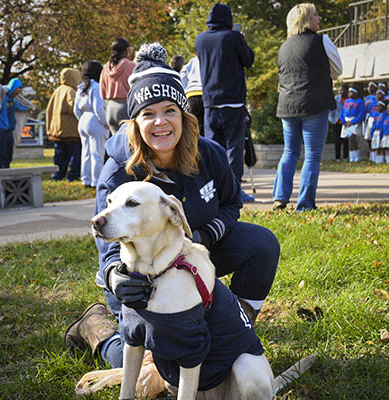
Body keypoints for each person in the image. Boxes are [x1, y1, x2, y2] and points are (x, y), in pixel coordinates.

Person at [64, 43, 280, 371]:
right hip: (141, 272)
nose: (160, 122)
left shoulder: (210, 154)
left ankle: (237, 325)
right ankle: (98, 330)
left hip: (192, 257)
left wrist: (205, 235)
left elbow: (232, 202)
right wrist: (114, 276)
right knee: (149, 362)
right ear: (134, 121)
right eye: (148, 113)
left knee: (261, 244)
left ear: (184, 114)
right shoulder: (118, 168)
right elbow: (105, 235)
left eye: (170, 110)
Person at [272, 3, 342, 211]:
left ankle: (279, 198)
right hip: (315, 103)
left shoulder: (283, 47)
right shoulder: (322, 41)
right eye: (315, 15)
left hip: (288, 105)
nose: (319, 18)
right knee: (312, 155)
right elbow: (338, 69)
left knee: (289, 152)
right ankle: (304, 204)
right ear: (306, 19)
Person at [195, 3, 255, 203]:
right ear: (228, 19)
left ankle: (215, 193)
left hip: (210, 103)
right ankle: (234, 194)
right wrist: (242, 40)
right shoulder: (233, 37)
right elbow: (249, 60)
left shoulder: (200, 40)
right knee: (234, 151)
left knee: (213, 150)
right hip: (233, 103)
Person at [74, 60, 109, 188]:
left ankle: (86, 180)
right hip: (95, 120)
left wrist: (82, 119)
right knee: (97, 154)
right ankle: (97, 181)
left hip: (83, 119)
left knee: (86, 152)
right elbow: (99, 108)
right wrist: (106, 122)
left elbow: (76, 110)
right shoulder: (96, 87)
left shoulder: (80, 88)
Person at [46, 68, 82, 182]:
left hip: (57, 131)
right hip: (71, 131)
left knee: (60, 156)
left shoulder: (57, 90)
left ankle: (57, 176)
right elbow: (74, 108)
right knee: (75, 156)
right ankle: (72, 176)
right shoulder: (71, 91)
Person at [99, 38, 135, 134]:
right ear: (125, 51)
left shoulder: (106, 67)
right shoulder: (131, 66)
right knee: (129, 143)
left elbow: (102, 93)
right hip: (126, 107)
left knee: (116, 144)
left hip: (110, 108)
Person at [0, 78, 29, 169]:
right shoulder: (1, 97)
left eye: (18, 93)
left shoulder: (13, 100)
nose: (16, 95)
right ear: (12, 89)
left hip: (9, 130)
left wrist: (28, 109)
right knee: (1, 155)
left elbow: (19, 107)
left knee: (8, 156)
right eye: (15, 92)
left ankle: (7, 175)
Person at [180, 56, 205, 136]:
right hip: (205, 94)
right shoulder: (210, 58)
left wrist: (186, 90)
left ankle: (197, 146)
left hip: (191, 95)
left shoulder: (192, 60)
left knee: (195, 126)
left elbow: (183, 74)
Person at [339, 87, 366, 163]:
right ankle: (352, 158)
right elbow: (342, 112)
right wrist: (343, 121)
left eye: (351, 92)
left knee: (352, 139)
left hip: (354, 122)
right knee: (349, 140)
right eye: (349, 92)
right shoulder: (346, 101)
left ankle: (357, 157)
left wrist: (353, 122)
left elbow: (362, 113)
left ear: (356, 93)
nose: (349, 93)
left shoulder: (359, 101)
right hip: (346, 122)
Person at [329, 84, 349, 162]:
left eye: (342, 90)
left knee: (346, 141)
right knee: (337, 141)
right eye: (339, 90)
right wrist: (331, 119)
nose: (340, 92)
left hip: (346, 123)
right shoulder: (336, 99)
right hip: (337, 122)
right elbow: (330, 110)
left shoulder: (349, 99)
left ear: (347, 91)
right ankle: (337, 157)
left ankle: (345, 157)